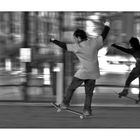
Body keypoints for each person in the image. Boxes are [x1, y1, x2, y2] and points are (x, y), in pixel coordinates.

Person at [50, 21, 110, 116]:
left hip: (84, 73)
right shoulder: (94, 42)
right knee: (89, 93)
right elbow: (104, 34)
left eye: (75, 38)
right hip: (93, 72)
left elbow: (64, 46)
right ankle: (87, 110)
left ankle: (65, 104)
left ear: (78, 38)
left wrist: (53, 40)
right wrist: (107, 25)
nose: (74, 40)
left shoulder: (77, 47)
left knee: (71, 88)